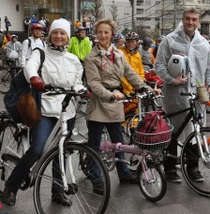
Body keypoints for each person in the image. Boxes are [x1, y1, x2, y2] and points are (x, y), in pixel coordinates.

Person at [1, 18, 85, 207]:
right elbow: (30, 67)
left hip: (67, 111)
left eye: (63, 33)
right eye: (55, 32)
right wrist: (34, 78)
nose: (59, 36)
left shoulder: (73, 60)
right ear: (50, 35)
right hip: (45, 110)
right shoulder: (40, 53)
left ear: (68, 37)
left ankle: (57, 192)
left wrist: (81, 89)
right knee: (38, 149)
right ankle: (11, 187)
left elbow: (78, 81)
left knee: (61, 152)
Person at [84, 18, 156, 187]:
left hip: (116, 101)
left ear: (112, 35)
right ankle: (95, 178)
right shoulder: (91, 57)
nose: (103, 35)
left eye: (106, 32)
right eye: (100, 32)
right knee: (94, 144)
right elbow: (93, 83)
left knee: (119, 143)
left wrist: (147, 89)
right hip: (99, 102)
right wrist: (110, 94)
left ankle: (123, 173)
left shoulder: (118, 55)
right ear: (96, 34)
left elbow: (131, 74)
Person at [154, 7, 210, 183]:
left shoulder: (204, 43)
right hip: (175, 95)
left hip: (197, 95)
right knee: (172, 132)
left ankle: (193, 168)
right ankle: (170, 169)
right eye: (188, 19)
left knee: (195, 131)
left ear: (199, 22)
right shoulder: (170, 40)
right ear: (183, 19)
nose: (191, 22)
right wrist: (171, 80)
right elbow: (159, 65)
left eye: (194, 19)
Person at [119, 31, 144, 96]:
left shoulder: (137, 55)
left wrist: (141, 83)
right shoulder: (120, 52)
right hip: (123, 88)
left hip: (136, 86)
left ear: (137, 42)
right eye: (128, 42)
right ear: (125, 42)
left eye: (133, 42)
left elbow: (141, 71)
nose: (130, 44)